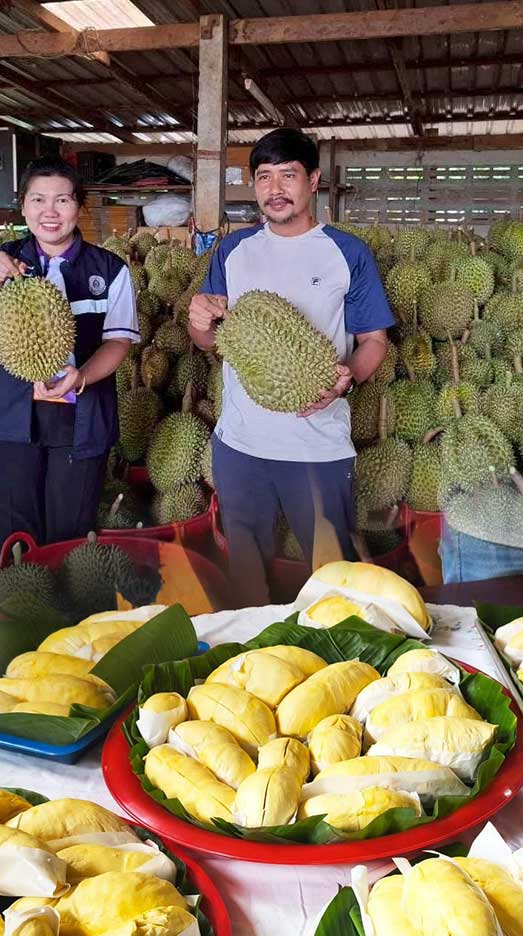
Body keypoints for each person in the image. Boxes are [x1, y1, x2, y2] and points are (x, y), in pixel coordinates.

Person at [188, 126, 394, 608]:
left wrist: (348, 378)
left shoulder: (348, 253)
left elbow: (374, 341)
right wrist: (198, 320)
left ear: (314, 180)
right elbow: (211, 339)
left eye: (288, 175)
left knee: (335, 580)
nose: (275, 189)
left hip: (317, 445)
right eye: (264, 177)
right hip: (240, 445)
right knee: (245, 581)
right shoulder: (233, 250)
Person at [0, 157, 139, 572]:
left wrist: (82, 376)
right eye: (38, 199)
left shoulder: (110, 269)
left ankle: (63, 631)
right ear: (23, 207)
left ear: (78, 206)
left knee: (69, 536)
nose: (50, 211)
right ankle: (12, 624)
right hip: (10, 419)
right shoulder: (3, 260)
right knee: (12, 536)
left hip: (80, 419)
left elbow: (118, 342)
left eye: (62, 200)